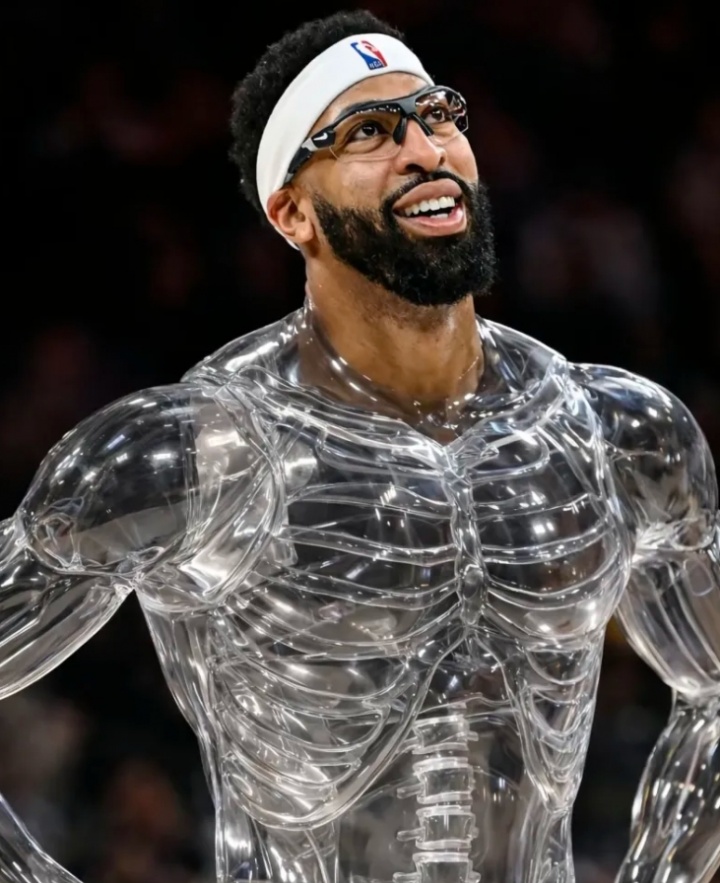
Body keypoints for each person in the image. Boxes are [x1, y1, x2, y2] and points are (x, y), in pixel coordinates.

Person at [1, 9, 719, 883]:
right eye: (370, 132)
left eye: (439, 115)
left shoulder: (611, 429)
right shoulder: (196, 452)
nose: (425, 148)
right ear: (292, 212)